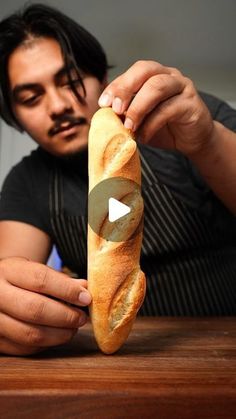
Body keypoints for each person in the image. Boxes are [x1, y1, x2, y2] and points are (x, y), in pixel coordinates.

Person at [0, 3, 235, 356]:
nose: (58, 105)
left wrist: (206, 142)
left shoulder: (188, 118)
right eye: (32, 98)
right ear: (16, 119)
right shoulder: (27, 182)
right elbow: (10, 268)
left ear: (104, 82)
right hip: (112, 359)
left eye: (71, 81)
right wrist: (13, 302)